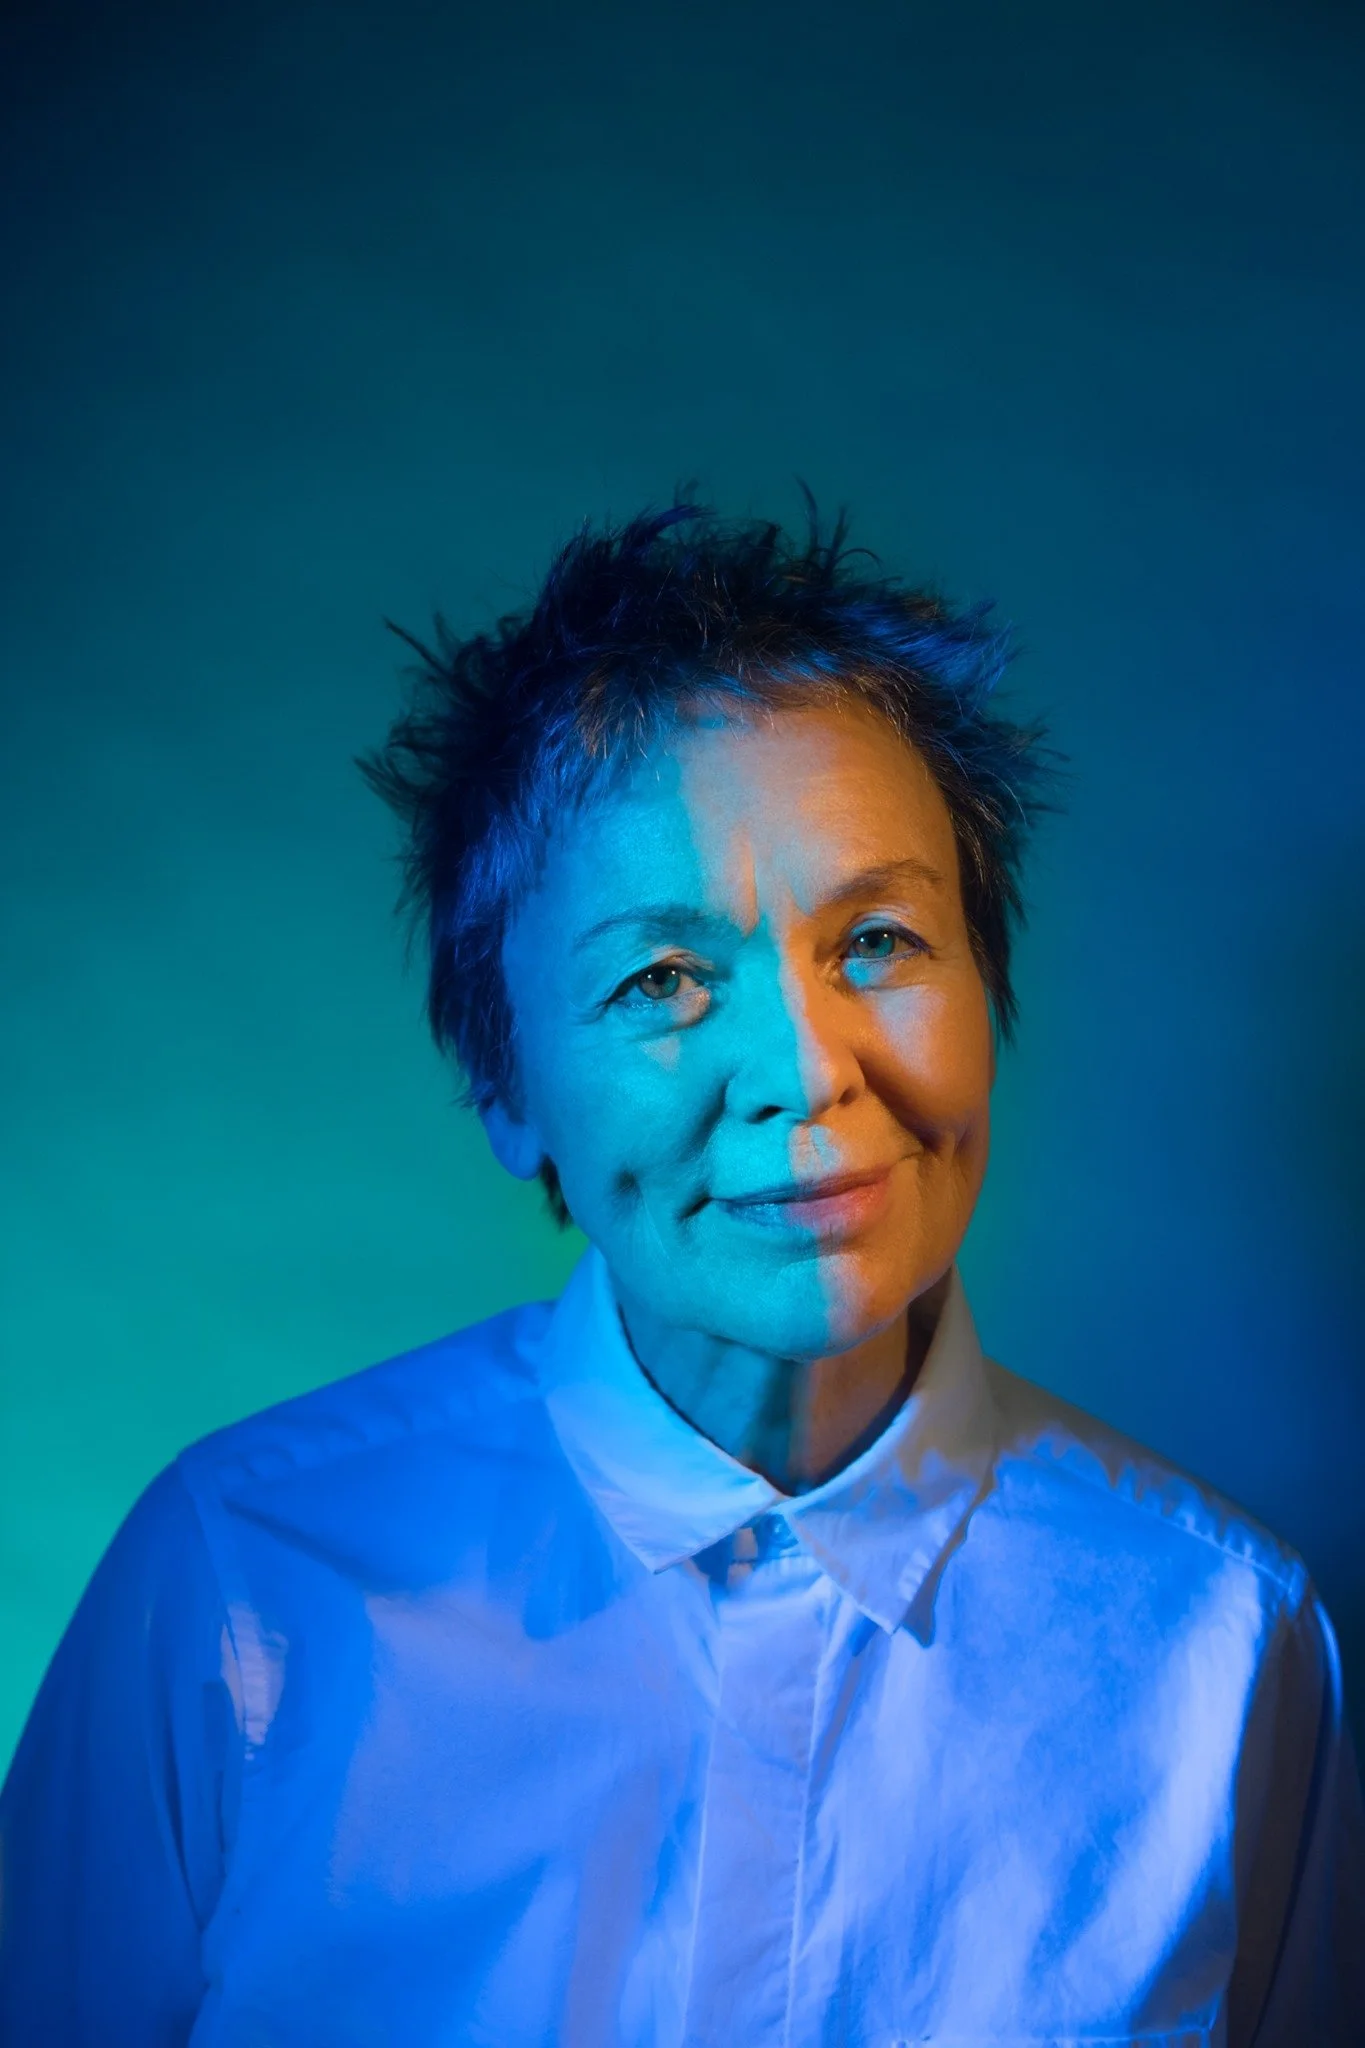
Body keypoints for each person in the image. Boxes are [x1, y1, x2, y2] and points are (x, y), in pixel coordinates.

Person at [1, 504, 1360, 2045]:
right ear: (508, 1092)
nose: (803, 1071)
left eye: (884, 942)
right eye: (663, 979)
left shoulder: (1223, 1645)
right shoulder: (242, 1590)